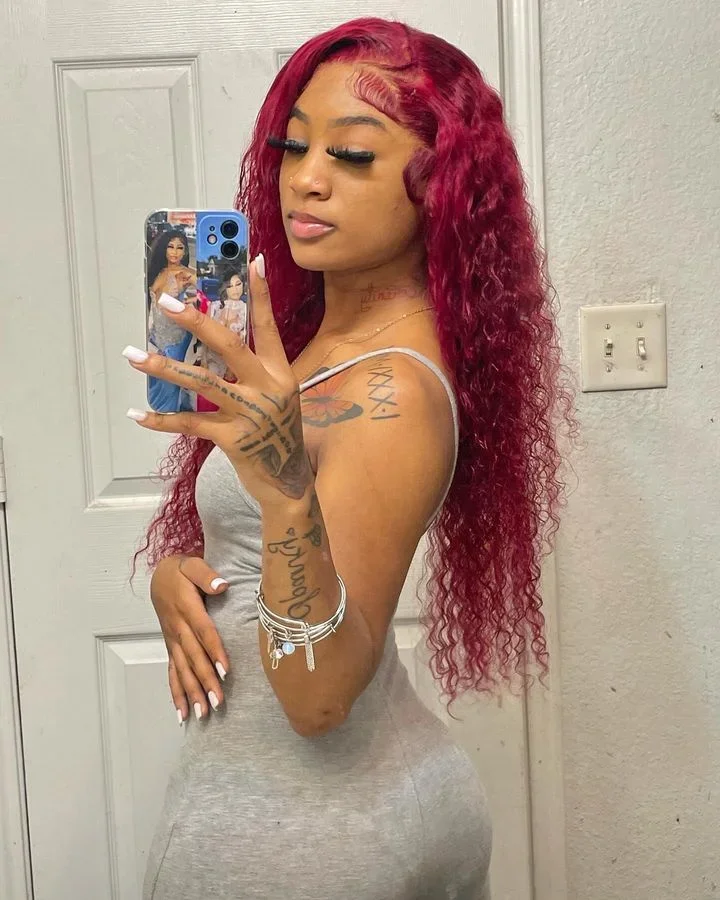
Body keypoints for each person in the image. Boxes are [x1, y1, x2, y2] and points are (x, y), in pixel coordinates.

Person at [126, 16, 576, 900]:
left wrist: (285, 493)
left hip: (322, 829)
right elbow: (285, 559)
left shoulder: (393, 388)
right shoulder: (323, 345)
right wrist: (185, 577)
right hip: (321, 808)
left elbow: (319, 697)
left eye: (354, 155)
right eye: (292, 147)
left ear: (439, 185)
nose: (306, 178)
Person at [145, 228, 198, 412]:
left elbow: (207, 290)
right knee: (155, 381)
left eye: (180, 247)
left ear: (185, 251)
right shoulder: (158, 270)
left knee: (171, 383)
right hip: (156, 337)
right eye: (171, 246)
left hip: (175, 338)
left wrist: (194, 301)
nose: (175, 252)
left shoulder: (185, 273)